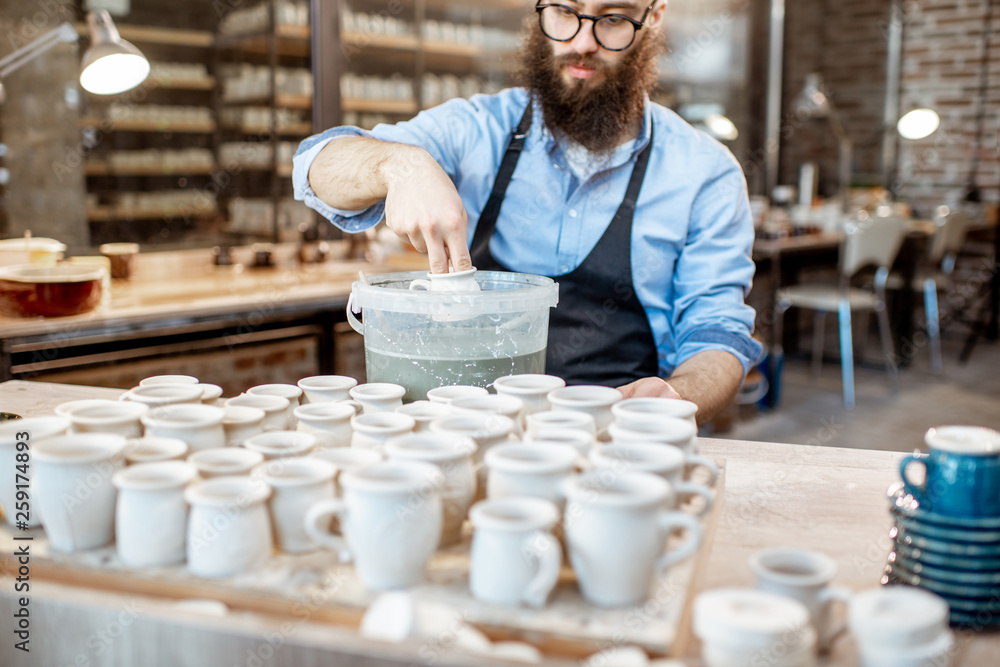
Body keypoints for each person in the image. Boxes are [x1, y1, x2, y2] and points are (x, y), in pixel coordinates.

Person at [293, 0, 761, 423]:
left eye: (613, 19)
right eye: (565, 12)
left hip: (619, 436)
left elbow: (718, 335)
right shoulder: (477, 130)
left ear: (653, 19)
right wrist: (398, 164)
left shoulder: (704, 172)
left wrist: (677, 398)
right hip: (473, 430)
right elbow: (314, 165)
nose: (582, 43)